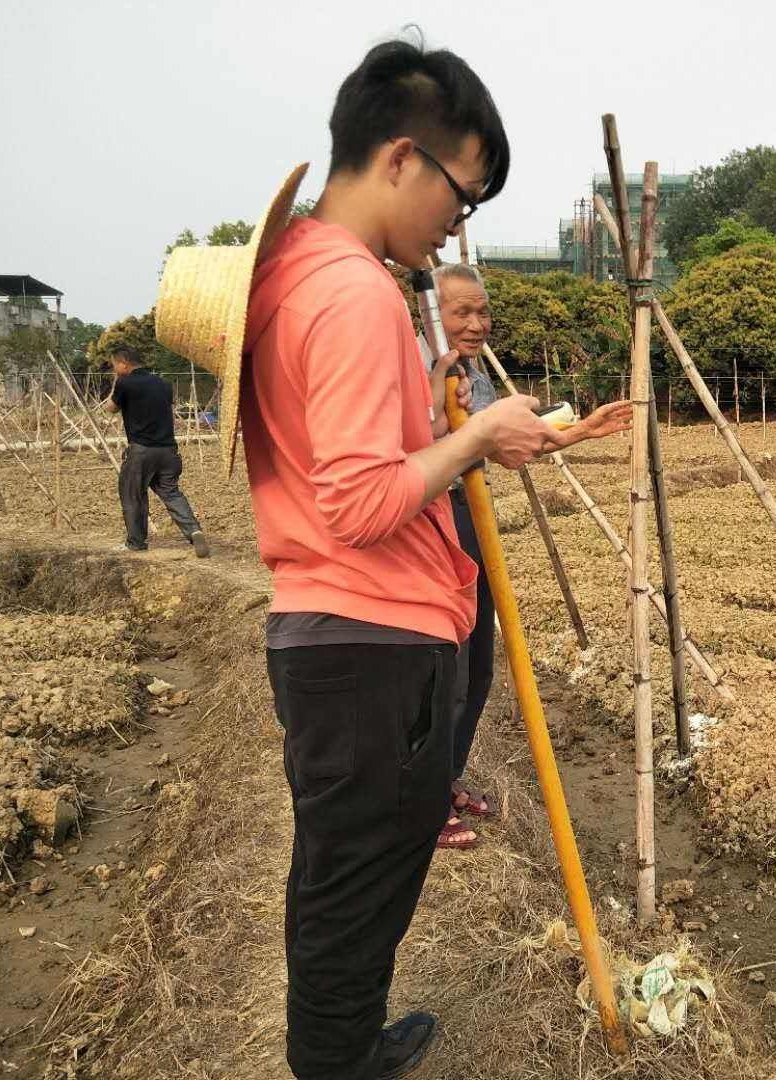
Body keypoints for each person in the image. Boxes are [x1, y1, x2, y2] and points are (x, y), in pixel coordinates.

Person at [212, 38, 565, 1080]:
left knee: (342, 879)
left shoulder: (291, 275)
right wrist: (476, 439)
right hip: (372, 643)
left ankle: (346, 1042)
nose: (458, 224)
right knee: (358, 883)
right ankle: (337, 1061)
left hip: (331, 637)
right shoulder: (358, 294)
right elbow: (360, 501)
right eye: (462, 196)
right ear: (404, 158)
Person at [419, 263, 630, 849]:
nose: (477, 322)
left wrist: (582, 431)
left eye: (483, 311)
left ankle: (448, 777)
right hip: (431, 524)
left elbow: (509, 446)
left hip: (473, 517)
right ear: (430, 314)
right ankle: (423, 803)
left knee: (481, 665)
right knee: (446, 670)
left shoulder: (475, 376)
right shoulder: (410, 368)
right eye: (462, 311)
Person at [102, 345, 210, 557]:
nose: (114, 370)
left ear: (124, 363)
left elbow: (111, 408)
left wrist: (117, 381)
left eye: (115, 366)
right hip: (168, 450)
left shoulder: (125, 383)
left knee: (133, 494)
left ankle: (136, 543)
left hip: (142, 451)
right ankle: (194, 530)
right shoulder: (163, 384)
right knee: (170, 492)